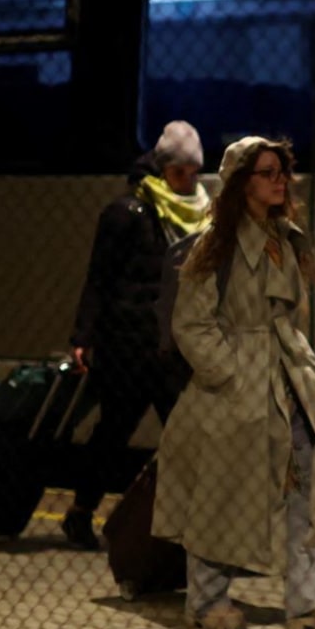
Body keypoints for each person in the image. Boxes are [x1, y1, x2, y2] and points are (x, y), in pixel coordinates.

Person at [152, 137, 315, 629]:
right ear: (241, 182)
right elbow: (191, 324)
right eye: (266, 172)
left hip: (287, 378)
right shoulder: (214, 245)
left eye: (281, 170)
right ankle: (205, 600)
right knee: (222, 492)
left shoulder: (286, 238)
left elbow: (288, 316)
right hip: (237, 388)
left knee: (304, 482)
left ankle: (309, 603)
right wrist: (229, 371)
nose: (279, 180)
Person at [63, 120, 209, 549]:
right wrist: (83, 336)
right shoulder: (127, 212)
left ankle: (190, 529)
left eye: (193, 172)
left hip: (171, 348)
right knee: (113, 433)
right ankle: (81, 513)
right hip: (127, 345)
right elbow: (99, 279)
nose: (188, 181)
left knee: (183, 437)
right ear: (161, 168)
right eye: (180, 172)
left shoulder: (201, 213)